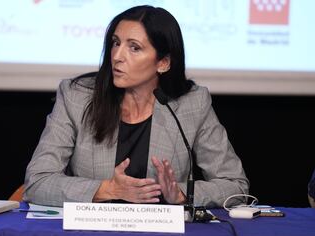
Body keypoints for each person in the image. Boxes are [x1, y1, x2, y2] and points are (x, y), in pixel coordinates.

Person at [24, 5, 249, 208]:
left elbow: (235, 185)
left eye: (134, 48)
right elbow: (38, 181)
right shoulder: (77, 97)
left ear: (163, 63)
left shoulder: (192, 104)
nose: (117, 57)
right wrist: (108, 189)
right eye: (115, 43)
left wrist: (181, 194)